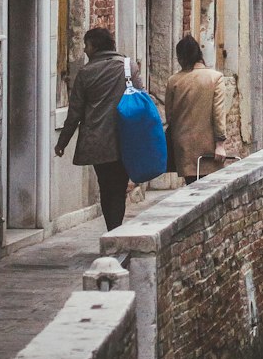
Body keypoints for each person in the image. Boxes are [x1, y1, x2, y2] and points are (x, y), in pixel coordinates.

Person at [55, 26, 144, 231]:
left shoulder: (86, 73)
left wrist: (62, 143)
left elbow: (75, 113)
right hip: (125, 138)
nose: (84, 50)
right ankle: (116, 229)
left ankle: (112, 229)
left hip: (98, 141)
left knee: (106, 186)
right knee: (120, 186)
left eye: (86, 45)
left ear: (95, 46)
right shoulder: (129, 67)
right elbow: (141, 99)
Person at [164, 35, 227, 183]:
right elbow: (218, 113)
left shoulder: (173, 81)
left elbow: (169, 115)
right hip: (209, 146)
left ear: (180, 57)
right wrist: (220, 144)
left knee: (191, 187)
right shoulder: (215, 78)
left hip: (183, 146)